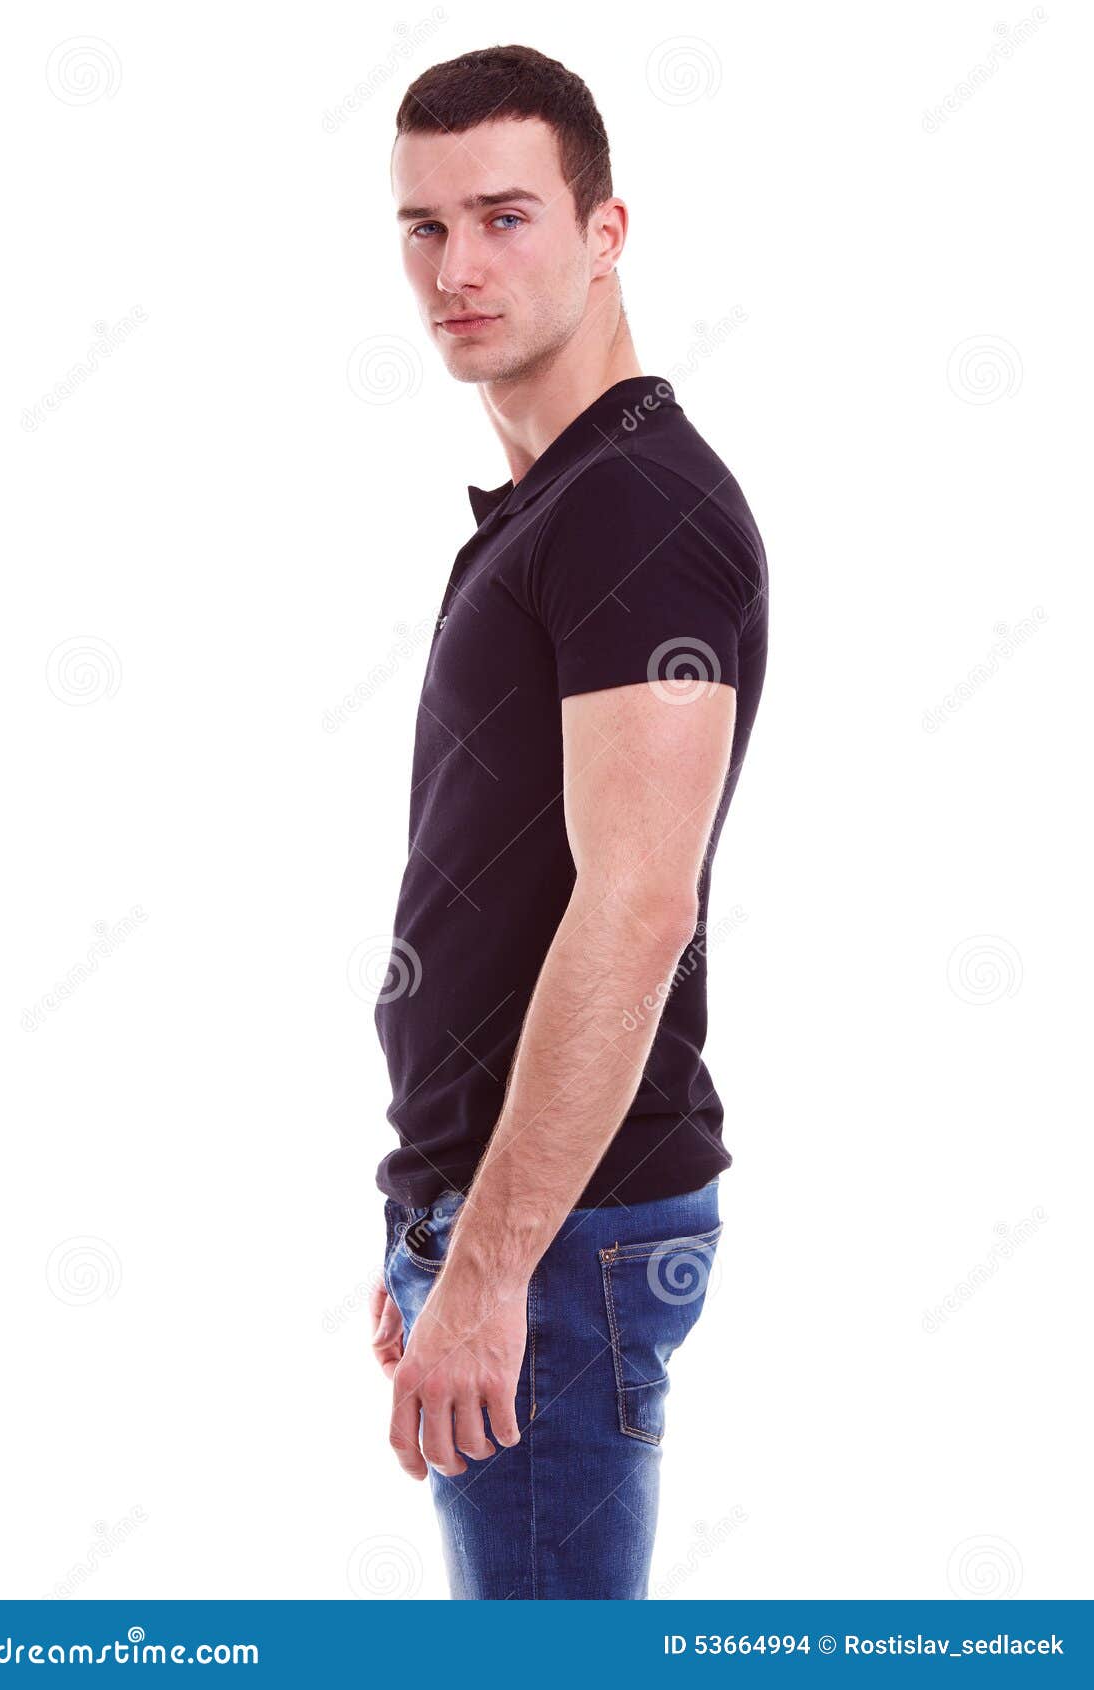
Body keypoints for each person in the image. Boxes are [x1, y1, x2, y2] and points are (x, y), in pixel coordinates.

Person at [367, 44, 768, 1600]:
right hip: (517, 1226)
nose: (457, 268)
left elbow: (635, 907)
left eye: (507, 216)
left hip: (569, 1239)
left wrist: (489, 1264)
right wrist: (435, 1218)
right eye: (423, 226)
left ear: (607, 232)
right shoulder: (557, 503)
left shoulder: (636, 512)